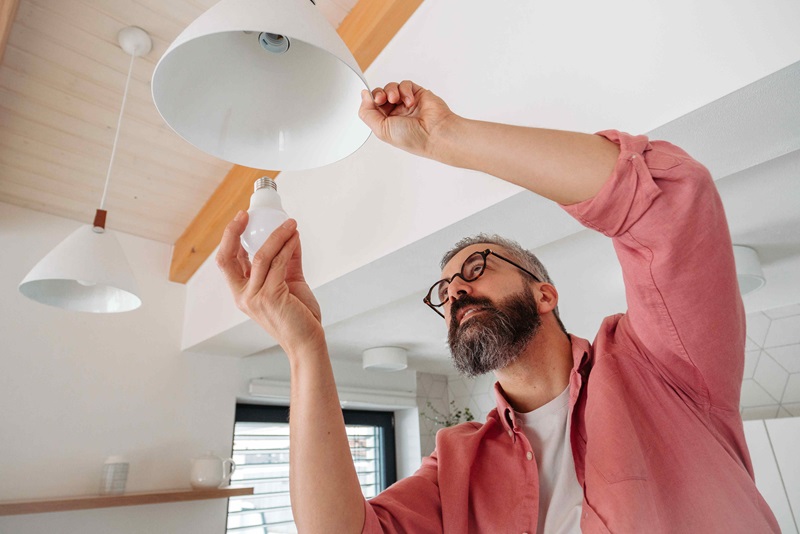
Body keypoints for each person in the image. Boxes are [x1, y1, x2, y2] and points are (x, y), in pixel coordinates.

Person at [216, 80, 780, 533]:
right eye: (446, 289)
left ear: (545, 293)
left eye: (476, 268)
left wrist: (448, 138)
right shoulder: (456, 462)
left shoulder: (662, 368)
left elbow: (672, 196)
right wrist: (305, 346)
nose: (456, 290)